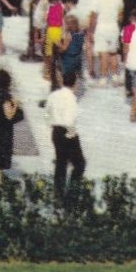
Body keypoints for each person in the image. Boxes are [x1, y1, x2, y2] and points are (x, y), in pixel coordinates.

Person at [48, 71, 86, 203]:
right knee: (79, 164)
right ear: (74, 83)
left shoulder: (53, 95)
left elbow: (47, 113)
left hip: (56, 131)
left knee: (61, 162)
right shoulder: (71, 98)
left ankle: (58, 193)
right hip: (67, 132)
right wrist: (72, 135)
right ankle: (72, 193)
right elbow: (70, 119)